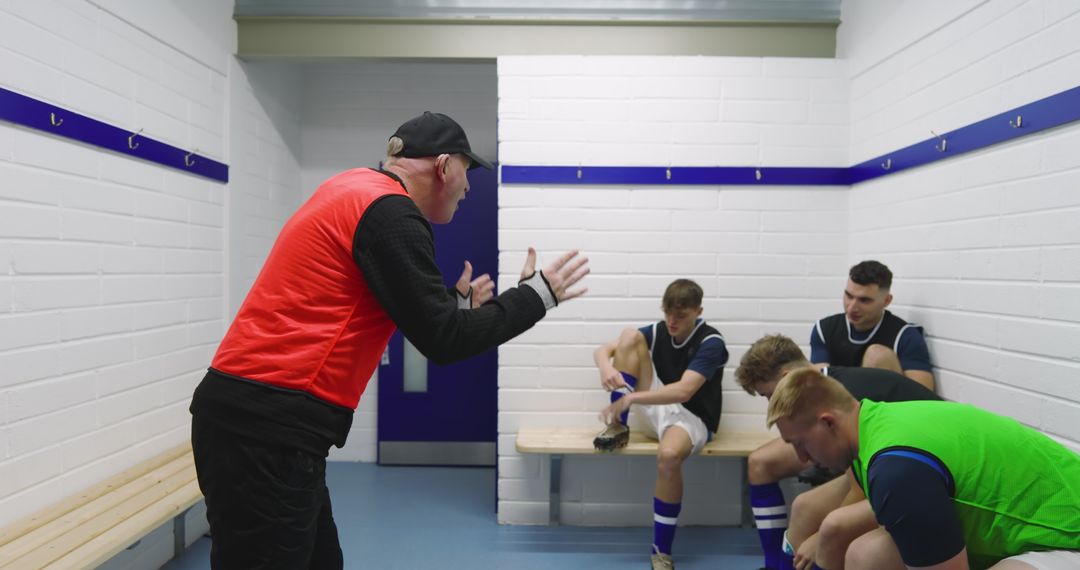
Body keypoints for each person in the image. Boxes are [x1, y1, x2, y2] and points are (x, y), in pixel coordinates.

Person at [189, 111, 590, 569]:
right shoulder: (391, 213)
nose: (469, 186)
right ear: (442, 166)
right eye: (466, 169)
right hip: (267, 431)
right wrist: (537, 296)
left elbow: (383, 304)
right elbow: (443, 341)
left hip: (257, 423)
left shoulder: (353, 188)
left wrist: (454, 306)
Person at [768, 368, 1080, 570]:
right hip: (1012, 530)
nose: (803, 459)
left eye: (801, 443)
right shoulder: (872, 424)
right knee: (869, 555)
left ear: (828, 423)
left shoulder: (896, 470)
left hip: (1066, 535)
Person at [735, 334, 940, 570]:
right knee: (804, 506)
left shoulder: (843, 395)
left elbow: (860, 486)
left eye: (770, 395)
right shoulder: (827, 387)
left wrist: (819, 538)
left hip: (925, 475)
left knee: (833, 532)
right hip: (887, 468)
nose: (772, 404)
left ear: (787, 379)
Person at [593, 279, 728, 570]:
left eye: (680, 315)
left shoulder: (711, 341)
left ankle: (661, 551)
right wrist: (605, 366)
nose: (671, 320)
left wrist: (630, 399)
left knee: (668, 457)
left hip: (692, 417)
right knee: (629, 335)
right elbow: (602, 350)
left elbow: (684, 391)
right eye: (667, 312)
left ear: (698, 311)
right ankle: (619, 427)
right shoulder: (658, 330)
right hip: (656, 405)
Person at [812, 261, 934, 390]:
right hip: (841, 406)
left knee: (877, 355)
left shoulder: (905, 336)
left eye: (864, 300)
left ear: (886, 301)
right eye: (849, 296)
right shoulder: (824, 329)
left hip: (888, 408)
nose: (852, 307)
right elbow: (820, 385)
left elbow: (924, 398)